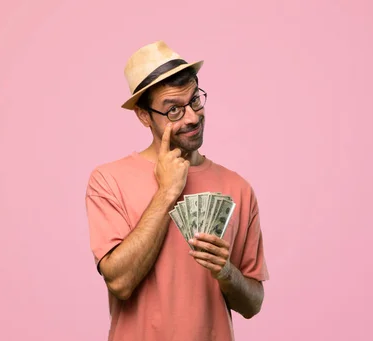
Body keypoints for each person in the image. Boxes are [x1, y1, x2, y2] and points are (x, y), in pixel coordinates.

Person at [84, 40, 269, 341]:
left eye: (195, 100)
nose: (193, 117)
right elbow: (119, 282)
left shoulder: (239, 188)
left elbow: (253, 303)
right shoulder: (108, 180)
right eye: (173, 110)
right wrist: (167, 192)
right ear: (144, 116)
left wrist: (227, 273)